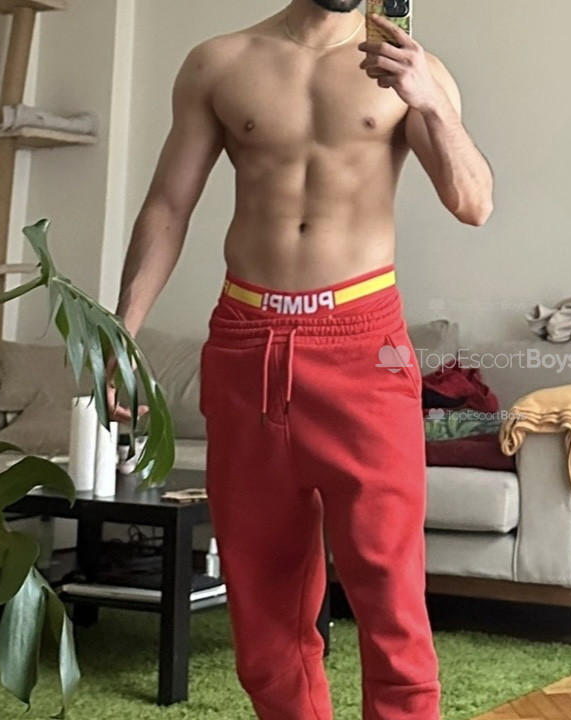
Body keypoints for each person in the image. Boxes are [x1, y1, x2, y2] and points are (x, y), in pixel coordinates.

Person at [106, 1, 494, 717]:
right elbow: (167, 204)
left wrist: (431, 104)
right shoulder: (219, 63)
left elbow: (474, 203)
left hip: (363, 342)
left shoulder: (413, 70)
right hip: (247, 340)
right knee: (263, 608)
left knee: (390, 595)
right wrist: (123, 333)